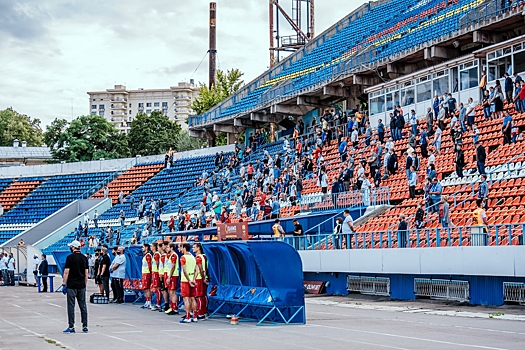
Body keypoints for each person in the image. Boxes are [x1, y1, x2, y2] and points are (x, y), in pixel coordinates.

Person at [61, 240, 89, 333]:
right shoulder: (84, 258)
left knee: (71, 306)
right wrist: (85, 284)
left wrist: (64, 284)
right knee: (83, 306)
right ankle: (85, 325)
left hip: (72, 285)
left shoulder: (70, 258)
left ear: (73, 247)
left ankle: (71, 326)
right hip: (81, 285)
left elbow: (66, 272)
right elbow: (86, 273)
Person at [179, 243, 197, 323]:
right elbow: (196, 270)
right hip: (192, 279)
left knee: (186, 298)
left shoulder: (183, 257)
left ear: (184, 248)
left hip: (186, 280)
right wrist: (193, 279)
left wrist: (189, 280)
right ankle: (195, 316)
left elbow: (184, 270)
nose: (181, 249)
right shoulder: (193, 257)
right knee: (192, 298)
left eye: (181, 247)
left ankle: (188, 317)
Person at [193, 243, 208, 320]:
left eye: (194, 247)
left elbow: (200, 269)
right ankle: (204, 312)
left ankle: (200, 313)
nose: (193, 248)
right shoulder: (204, 256)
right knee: (203, 295)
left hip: (199, 278)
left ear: (198, 248)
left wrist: (203, 278)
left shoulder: (198, 258)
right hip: (203, 277)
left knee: (198, 296)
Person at [165, 243, 179, 316]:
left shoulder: (174, 255)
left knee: (173, 292)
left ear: (171, 248)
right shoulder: (171, 255)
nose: (167, 248)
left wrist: (169, 277)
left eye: (168, 247)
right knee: (171, 292)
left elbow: (173, 267)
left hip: (173, 276)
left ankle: (175, 308)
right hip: (171, 275)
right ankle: (172, 307)